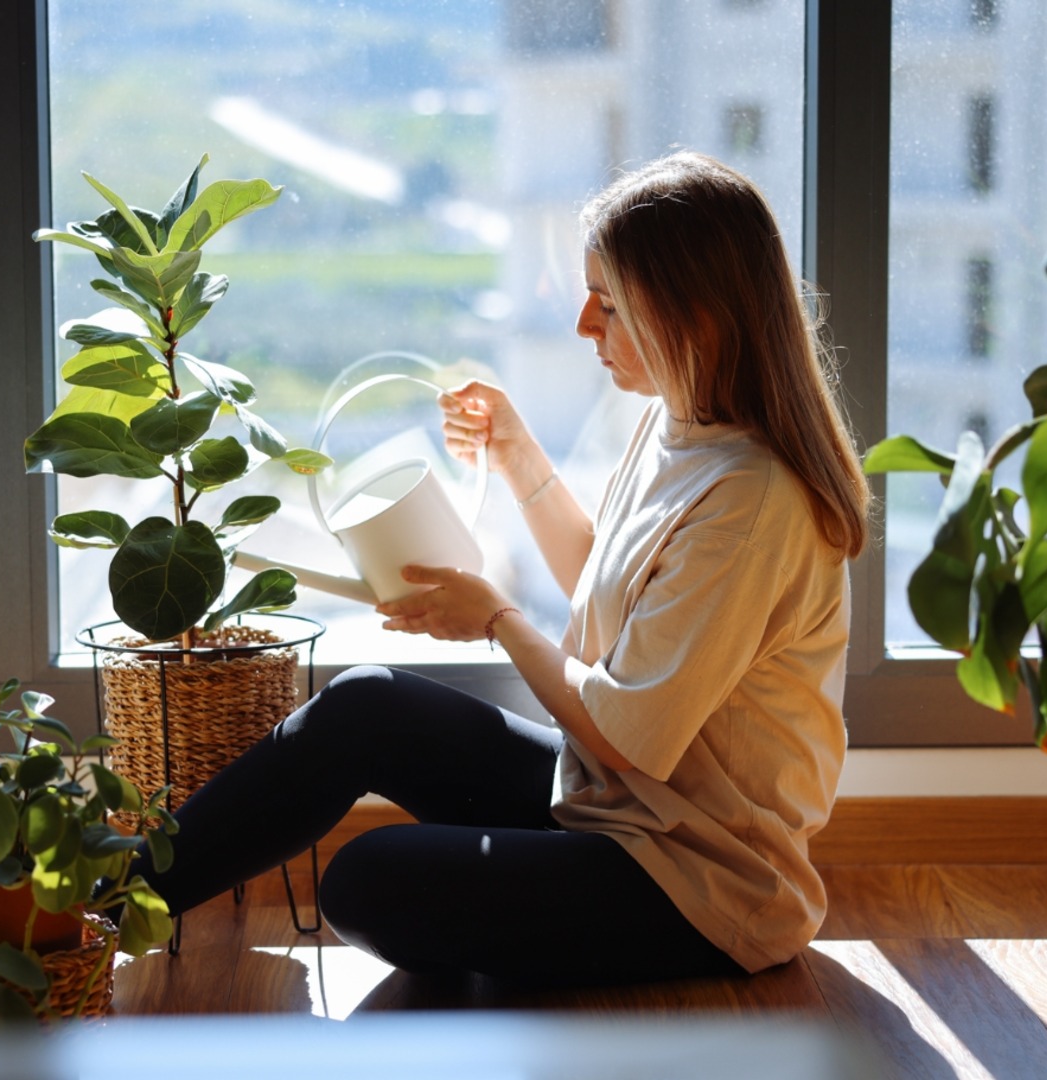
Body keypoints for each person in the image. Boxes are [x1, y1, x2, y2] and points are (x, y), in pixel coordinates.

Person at [125, 151, 870, 985]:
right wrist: (520, 461)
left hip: (699, 883)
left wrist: (495, 619)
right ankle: (98, 903)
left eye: (611, 303)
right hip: (608, 809)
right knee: (365, 702)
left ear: (696, 312)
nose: (587, 325)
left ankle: (94, 908)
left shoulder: (753, 500)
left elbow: (628, 739)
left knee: (368, 882)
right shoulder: (679, 425)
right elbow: (612, 582)